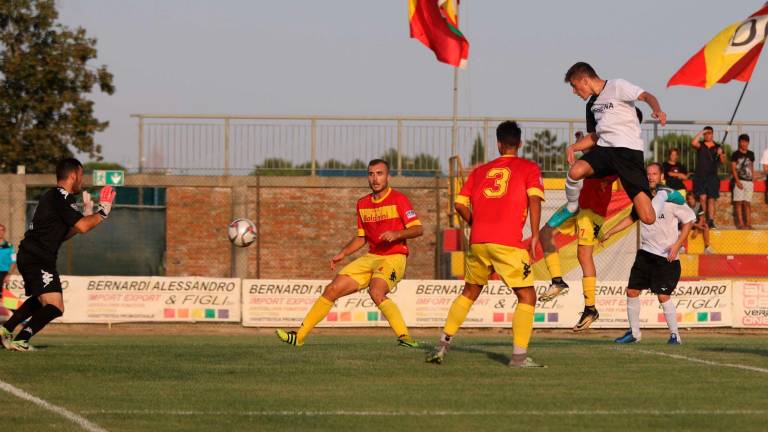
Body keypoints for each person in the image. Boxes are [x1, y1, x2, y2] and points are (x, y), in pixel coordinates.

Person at [425, 121, 544, 367]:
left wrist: (476, 222)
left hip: (478, 240)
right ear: (519, 143)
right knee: (527, 296)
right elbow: (535, 200)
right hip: (508, 242)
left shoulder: (480, 171)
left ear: (499, 144)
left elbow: (459, 204)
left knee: (469, 292)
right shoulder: (529, 167)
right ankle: (519, 358)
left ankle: (442, 344)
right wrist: (534, 235)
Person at [276, 159, 423, 348]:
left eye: (380, 174)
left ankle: (404, 336)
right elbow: (361, 238)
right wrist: (342, 254)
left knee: (376, 291)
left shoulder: (399, 199)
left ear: (388, 176)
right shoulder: (362, 204)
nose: (375, 178)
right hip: (372, 257)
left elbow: (418, 229)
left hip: (394, 257)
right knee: (332, 289)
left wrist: (397, 234)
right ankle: (299, 337)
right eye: (371, 174)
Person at [0, 158, 116, 351]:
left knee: (41, 301)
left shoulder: (55, 197)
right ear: (73, 175)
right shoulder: (61, 196)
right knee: (55, 306)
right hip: (38, 258)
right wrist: (102, 212)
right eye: (81, 175)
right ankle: (20, 340)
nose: (82, 180)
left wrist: (86, 216)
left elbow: (65, 233)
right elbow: (83, 226)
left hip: (33, 255)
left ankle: (6, 330)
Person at [551, 62, 682, 232]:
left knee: (648, 218)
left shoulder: (617, 86)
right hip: (605, 150)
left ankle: (663, 193)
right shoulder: (591, 105)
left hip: (628, 153)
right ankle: (572, 207)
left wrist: (657, 110)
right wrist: (573, 147)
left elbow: (646, 96)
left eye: (574, 86)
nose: (574, 91)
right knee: (575, 171)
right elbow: (595, 136)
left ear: (584, 81)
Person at [600, 163, 695, 345]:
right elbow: (631, 218)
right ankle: (634, 333)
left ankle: (675, 335)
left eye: (654, 174)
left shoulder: (670, 199)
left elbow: (689, 220)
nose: (651, 177)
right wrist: (610, 232)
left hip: (667, 256)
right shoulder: (642, 199)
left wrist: (677, 245)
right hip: (646, 253)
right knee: (632, 291)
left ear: (661, 177)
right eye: (648, 174)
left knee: (663, 296)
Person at [538, 131, 619, 332]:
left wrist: (581, 146)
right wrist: (579, 146)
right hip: (577, 206)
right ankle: (557, 281)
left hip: (591, 213)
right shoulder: (593, 157)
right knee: (545, 233)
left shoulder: (613, 159)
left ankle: (590, 309)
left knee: (584, 255)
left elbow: (591, 166)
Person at [691, 126, 726, 228]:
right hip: (700, 176)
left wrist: (720, 155)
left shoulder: (718, 146)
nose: (707, 135)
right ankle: (702, 219)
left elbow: (723, 162)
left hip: (712, 177)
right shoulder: (700, 145)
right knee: (702, 198)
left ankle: (710, 220)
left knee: (711, 199)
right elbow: (693, 143)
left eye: (709, 133)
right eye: (706, 133)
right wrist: (701, 132)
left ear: (713, 134)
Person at [730, 134, 755, 229]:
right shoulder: (735, 154)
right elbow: (733, 168)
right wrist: (737, 181)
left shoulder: (751, 154)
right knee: (738, 203)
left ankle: (748, 224)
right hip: (739, 181)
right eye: (742, 141)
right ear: (739, 142)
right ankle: (740, 224)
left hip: (749, 181)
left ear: (748, 143)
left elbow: (751, 166)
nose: (744, 143)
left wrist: (752, 180)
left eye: (746, 142)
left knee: (747, 203)